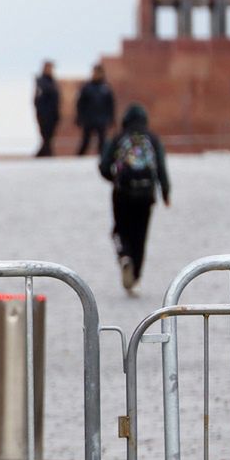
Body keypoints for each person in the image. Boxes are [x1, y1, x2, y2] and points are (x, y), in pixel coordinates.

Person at [98, 103, 172, 295]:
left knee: (119, 230)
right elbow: (161, 167)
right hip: (146, 194)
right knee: (140, 235)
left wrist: (115, 180)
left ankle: (124, 256)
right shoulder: (152, 139)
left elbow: (104, 166)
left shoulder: (118, 138)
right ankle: (136, 276)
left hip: (122, 193)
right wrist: (165, 192)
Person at [75, 64, 116, 157]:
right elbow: (80, 104)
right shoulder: (86, 87)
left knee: (102, 141)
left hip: (101, 119)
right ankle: (78, 158)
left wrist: (111, 119)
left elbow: (111, 105)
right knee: (86, 140)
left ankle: (103, 158)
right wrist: (80, 117)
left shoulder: (106, 88)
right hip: (89, 119)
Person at [33, 61, 60, 157]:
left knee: (49, 137)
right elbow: (37, 99)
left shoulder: (52, 82)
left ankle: (42, 155)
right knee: (46, 137)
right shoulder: (41, 82)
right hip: (44, 114)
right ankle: (48, 155)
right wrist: (41, 112)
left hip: (53, 114)